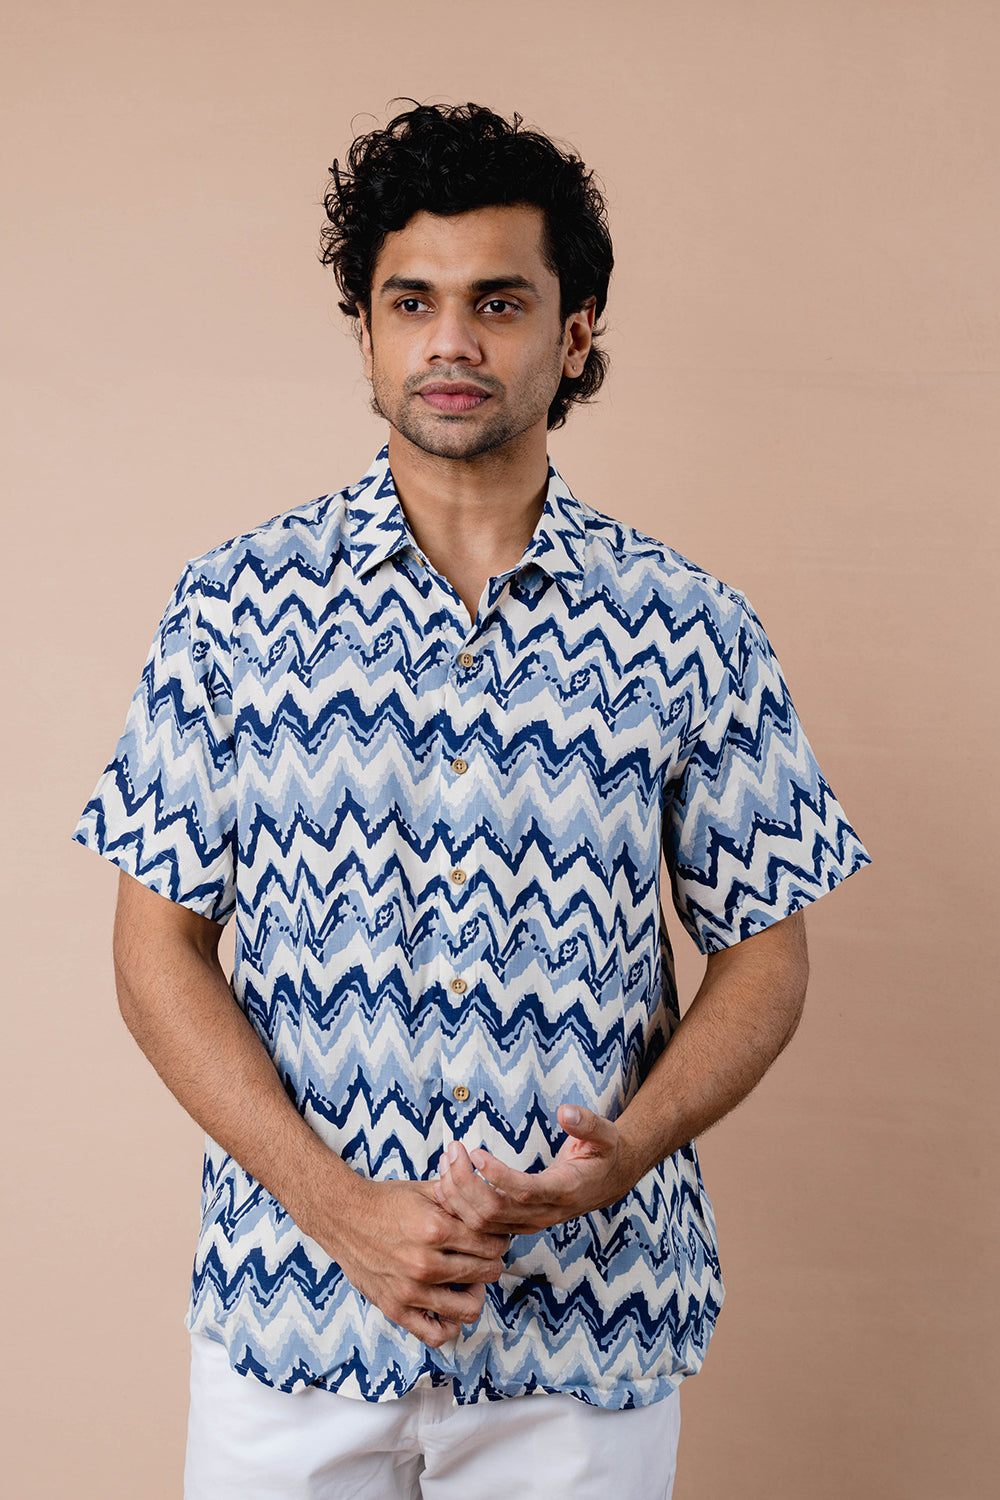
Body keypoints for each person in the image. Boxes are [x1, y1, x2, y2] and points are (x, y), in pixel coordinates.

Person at [74, 102, 870, 1498]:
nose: (452, 342)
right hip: (293, 1325)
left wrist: (626, 1154)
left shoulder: (692, 628)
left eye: (499, 302)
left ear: (575, 333)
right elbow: (156, 955)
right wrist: (337, 1210)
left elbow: (768, 955)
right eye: (413, 303)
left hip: (584, 1332)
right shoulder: (232, 609)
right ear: (366, 333)